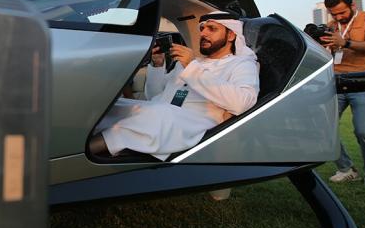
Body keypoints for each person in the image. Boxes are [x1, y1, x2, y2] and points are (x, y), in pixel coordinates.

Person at [88, 12, 259, 159]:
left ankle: (84, 154)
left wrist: (193, 68)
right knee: (114, 104)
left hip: (192, 123)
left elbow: (243, 102)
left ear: (231, 35)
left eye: (212, 29)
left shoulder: (241, 64)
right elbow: (155, 95)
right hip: (162, 111)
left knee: (159, 114)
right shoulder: (192, 62)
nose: (203, 33)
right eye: (202, 29)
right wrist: (157, 65)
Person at [320, 0, 365, 186]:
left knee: (364, 130)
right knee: (322, 127)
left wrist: (345, 42)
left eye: (342, 12)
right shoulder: (332, 27)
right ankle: (346, 168)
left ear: (353, 6)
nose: (338, 17)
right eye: (334, 14)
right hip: (336, 81)